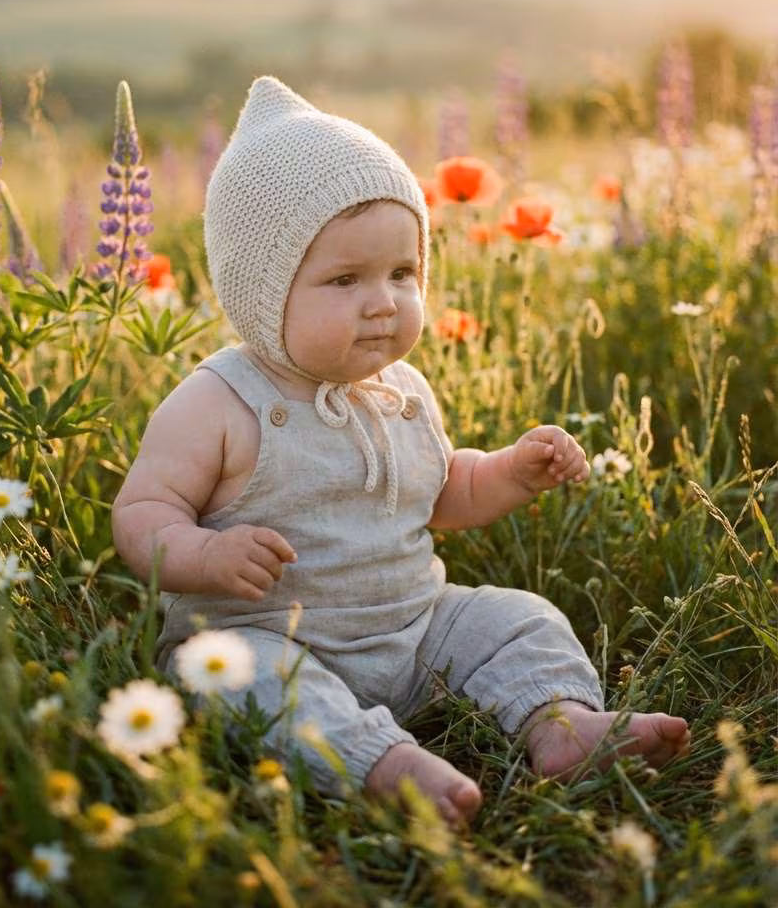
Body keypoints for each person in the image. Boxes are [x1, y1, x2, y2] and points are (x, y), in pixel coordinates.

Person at [112, 76, 690, 825]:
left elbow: (443, 490)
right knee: (253, 685)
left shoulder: (402, 388)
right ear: (263, 291)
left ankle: (561, 725)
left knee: (518, 618)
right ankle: (380, 765)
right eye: (345, 279)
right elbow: (141, 511)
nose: (383, 301)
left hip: (415, 628)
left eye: (402, 273)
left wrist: (509, 470)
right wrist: (200, 555)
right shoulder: (218, 402)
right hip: (265, 637)